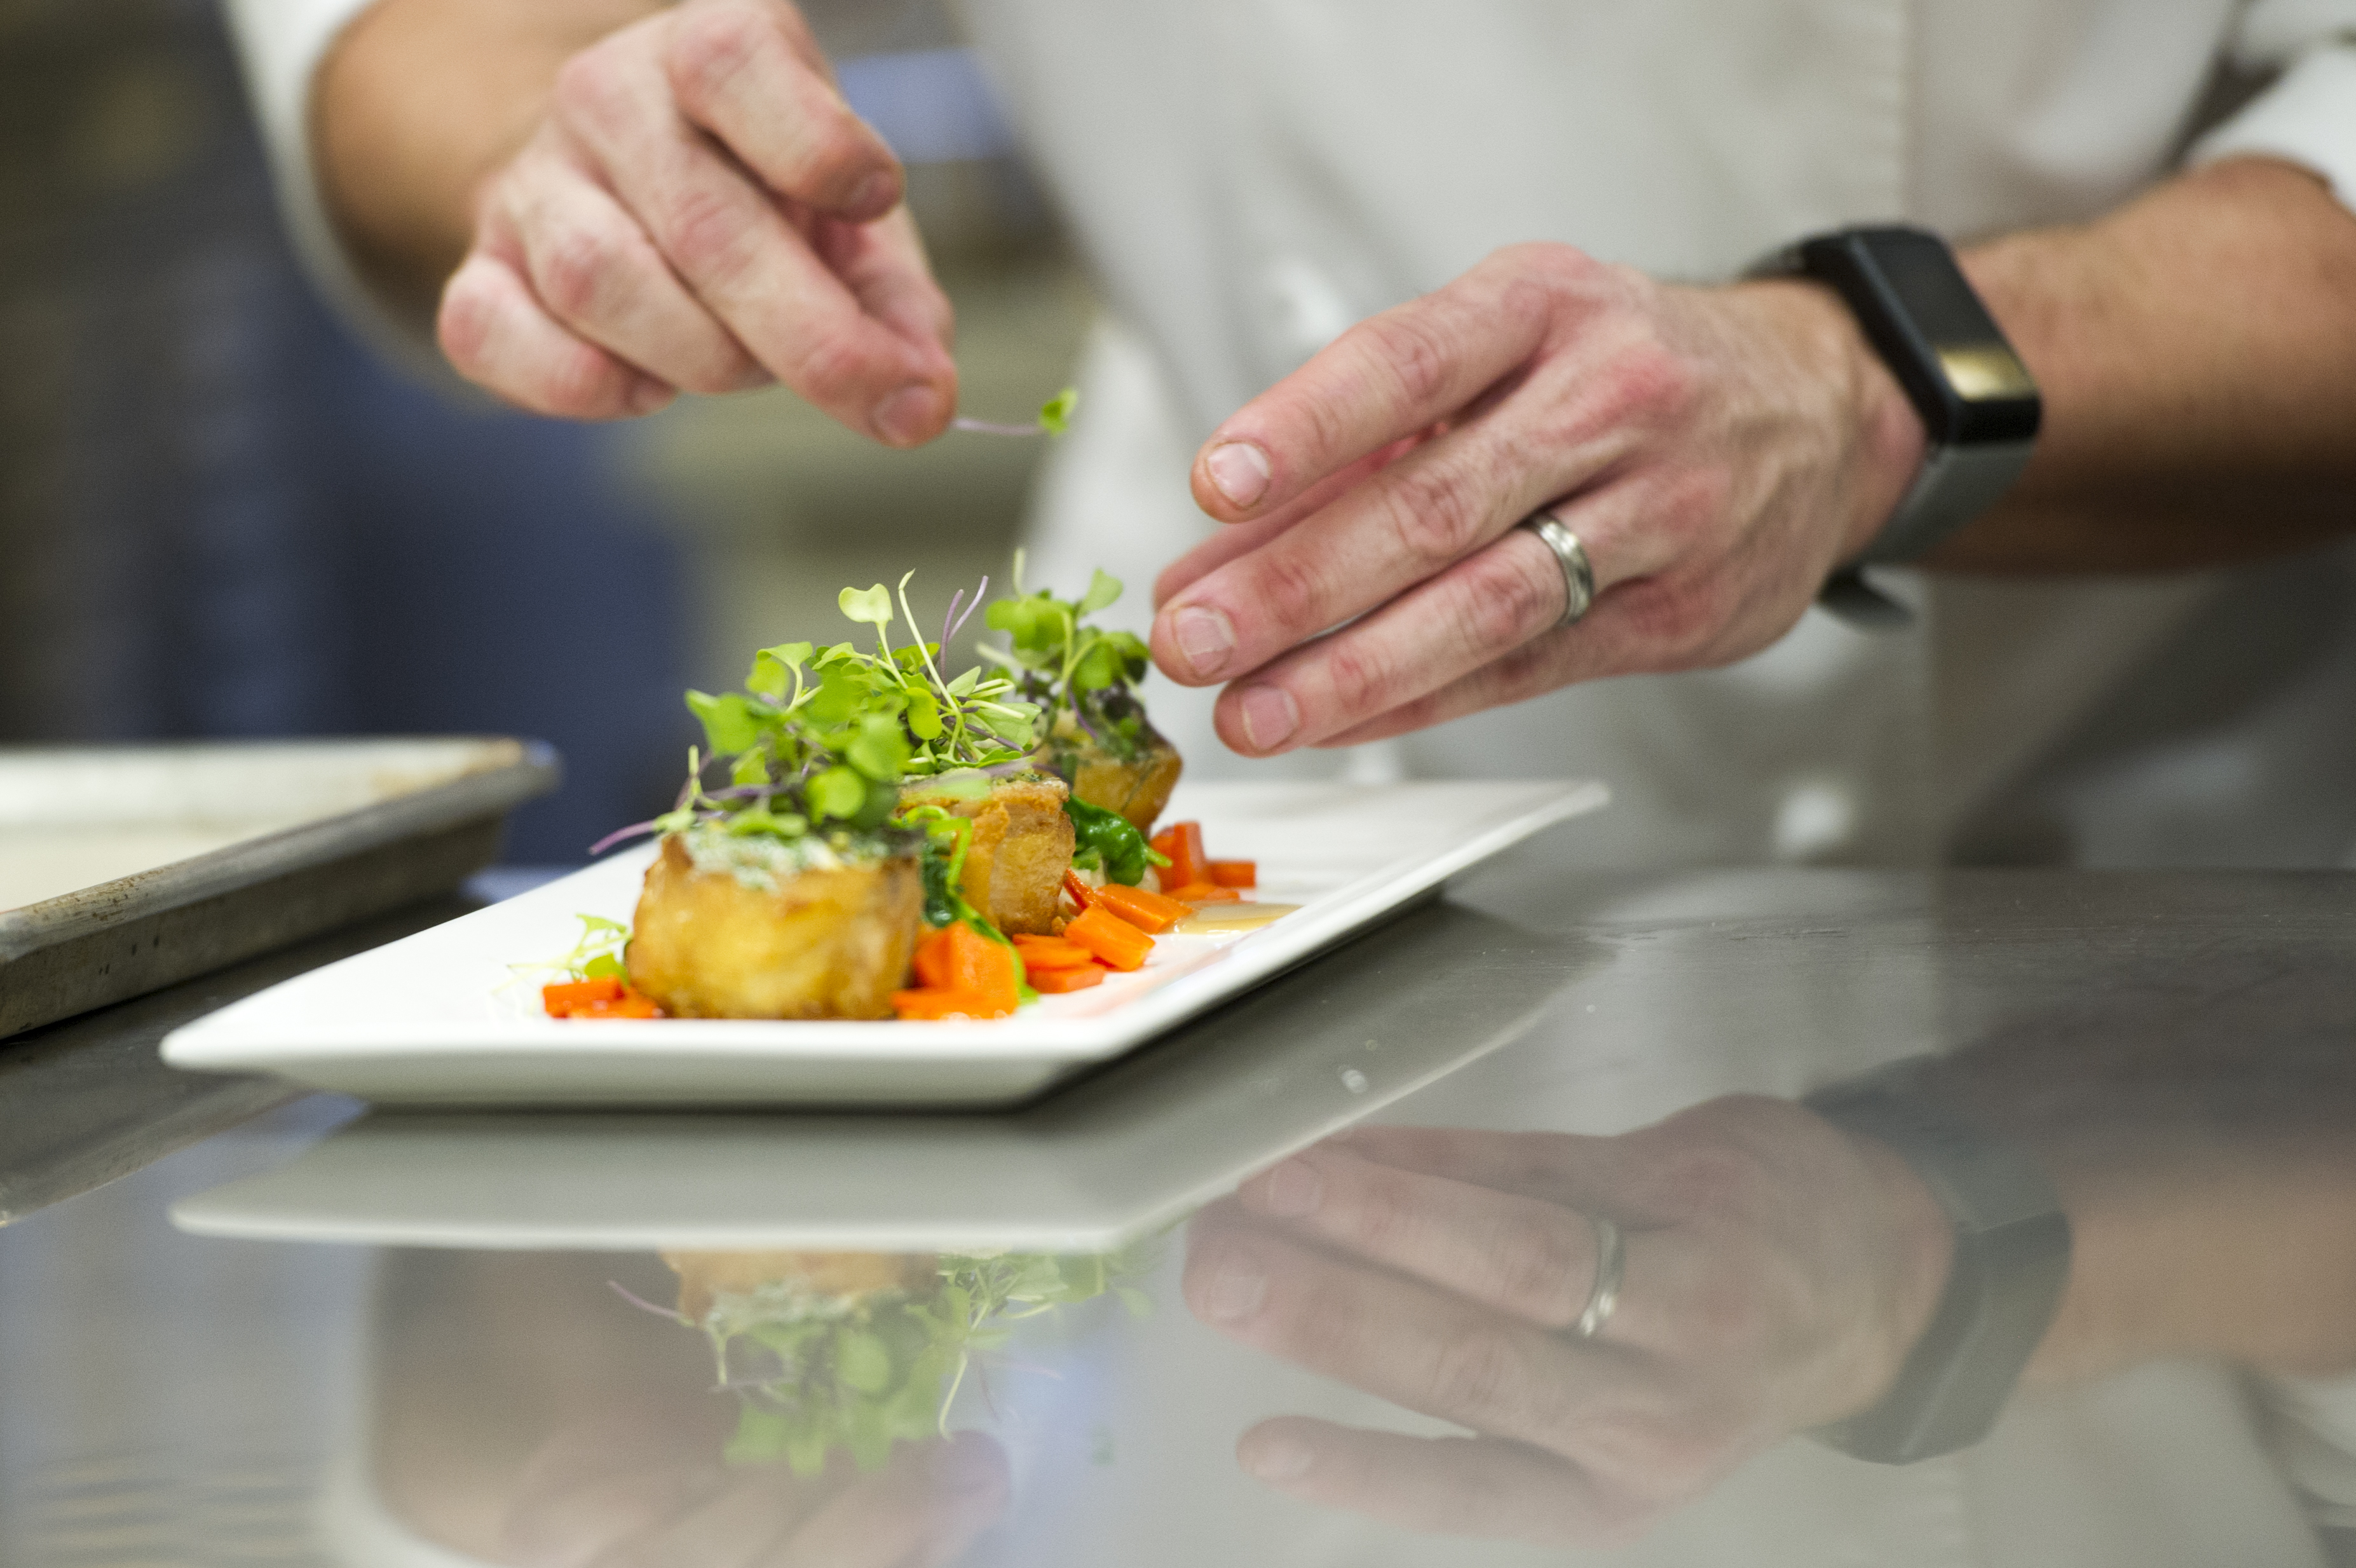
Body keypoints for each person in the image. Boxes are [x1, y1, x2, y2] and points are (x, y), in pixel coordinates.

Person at [225, 1, 2356, 867]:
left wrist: (1871, 380)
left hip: (2166, 928)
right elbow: (410, 35)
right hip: (1254, 837)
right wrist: (580, 138)